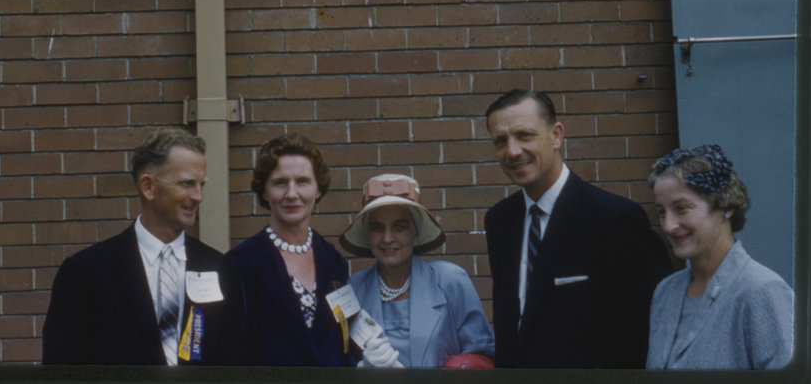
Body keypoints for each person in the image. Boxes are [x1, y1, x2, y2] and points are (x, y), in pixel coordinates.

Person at [482, 89, 673, 368]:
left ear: (556, 135)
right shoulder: (499, 221)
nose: (512, 151)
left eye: (525, 135)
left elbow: (653, 332)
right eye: (501, 141)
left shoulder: (615, 219)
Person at [42, 127, 239, 365]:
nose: (198, 196)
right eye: (187, 183)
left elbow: (232, 361)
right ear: (148, 187)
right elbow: (62, 368)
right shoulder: (87, 273)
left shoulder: (219, 268)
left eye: (201, 185)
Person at [646, 144, 794, 369]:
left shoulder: (761, 292)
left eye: (682, 208)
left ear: (725, 206)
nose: (668, 225)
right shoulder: (665, 292)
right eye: (661, 211)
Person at [339, 173, 496, 368]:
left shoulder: (451, 281)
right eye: (378, 228)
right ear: (368, 235)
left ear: (416, 232)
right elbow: (340, 359)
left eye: (400, 227)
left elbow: (483, 354)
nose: (388, 238)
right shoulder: (354, 289)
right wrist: (361, 371)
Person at [227, 132, 353, 366]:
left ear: (318, 190)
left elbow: (343, 342)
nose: (292, 194)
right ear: (264, 191)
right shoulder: (241, 264)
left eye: (302, 181)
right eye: (280, 183)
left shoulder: (334, 261)